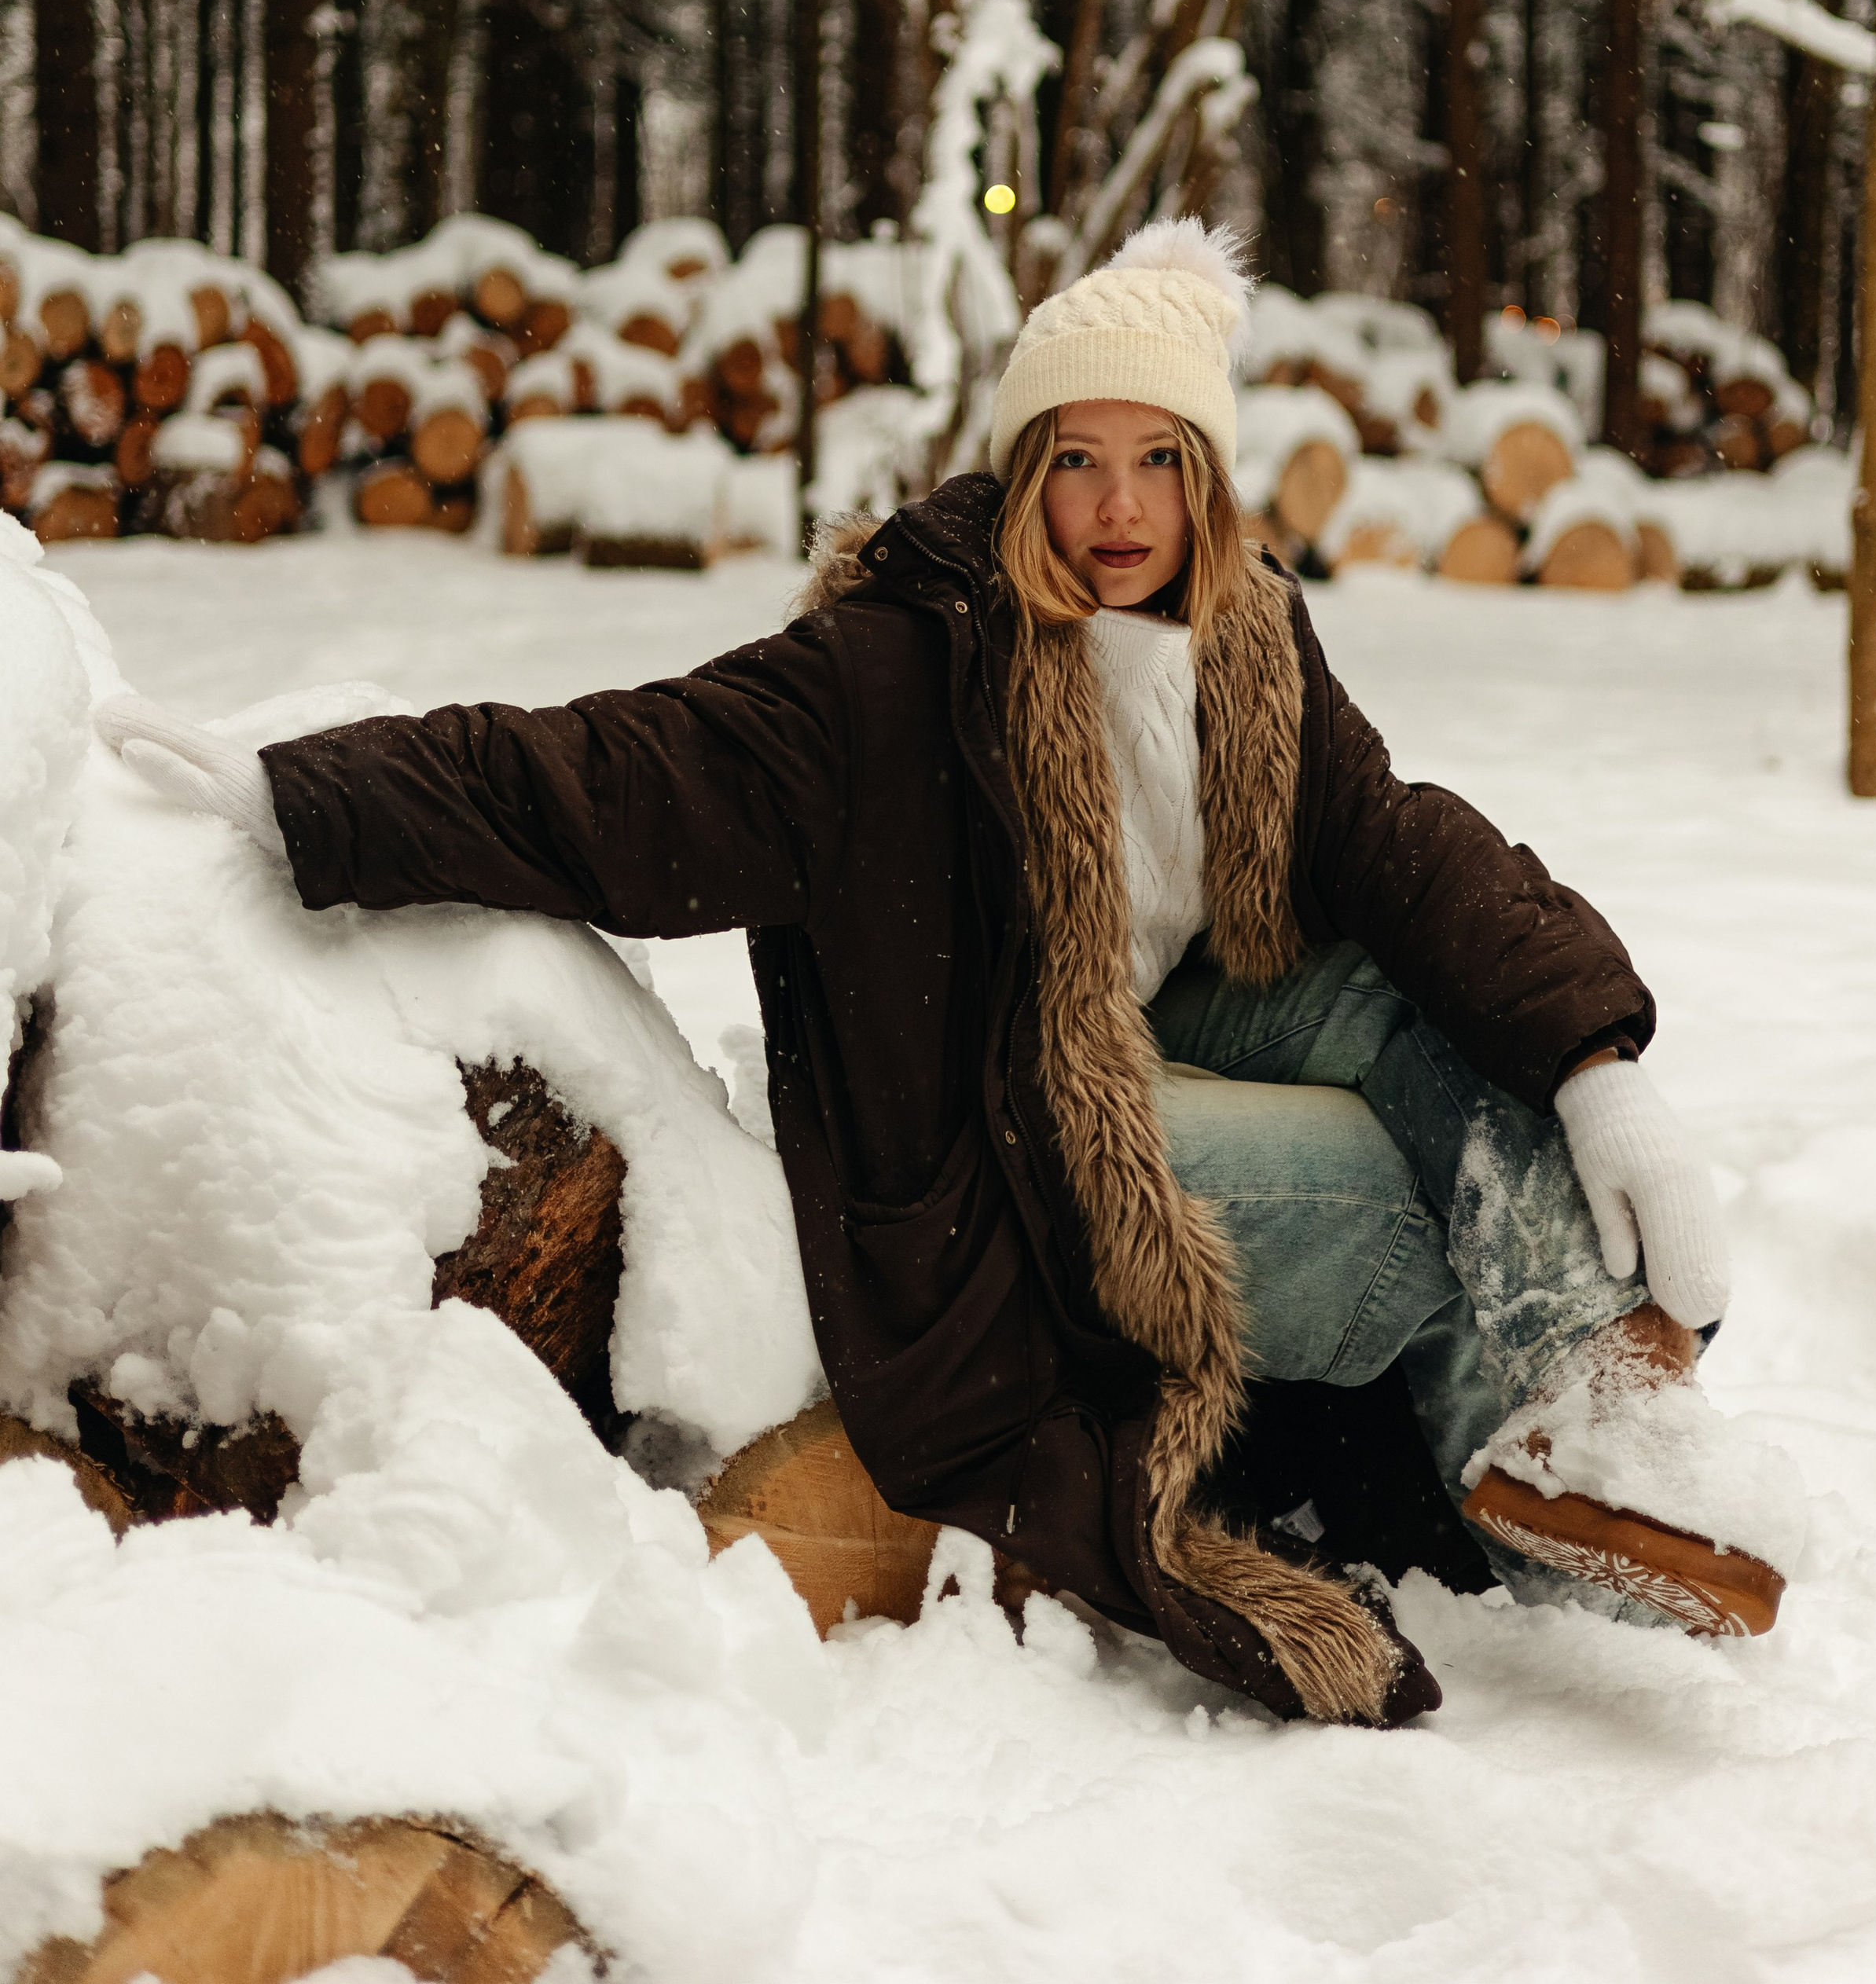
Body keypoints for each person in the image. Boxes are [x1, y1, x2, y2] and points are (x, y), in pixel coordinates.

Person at [98, 220, 1783, 1729]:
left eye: (1157, 462)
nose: (1116, 511)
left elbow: (1395, 841)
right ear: (1018, 470)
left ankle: (1593, 1425)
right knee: (1398, 1185)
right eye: (1073, 460)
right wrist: (312, 795)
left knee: (1437, 1007)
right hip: (1001, 1148)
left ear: (1210, 479)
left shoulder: (1244, 638)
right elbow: (619, 774)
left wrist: (1595, 1067)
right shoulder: (906, 669)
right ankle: (1538, 1456)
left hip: (1161, 1039)